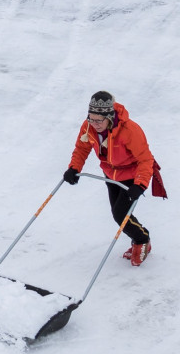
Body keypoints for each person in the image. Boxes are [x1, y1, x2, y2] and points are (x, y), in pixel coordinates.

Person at [62, 91, 166, 266]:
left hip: (132, 176)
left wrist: (140, 184)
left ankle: (142, 240)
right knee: (119, 213)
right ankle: (138, 237)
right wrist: (74, 168)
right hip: (110, 174)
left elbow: (145, 159)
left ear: (109, 117)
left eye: (98, 120)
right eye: (91, 119)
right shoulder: (88, 127)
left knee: (120, 215)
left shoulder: (130, 130)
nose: (94, 124)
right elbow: (81, 148)